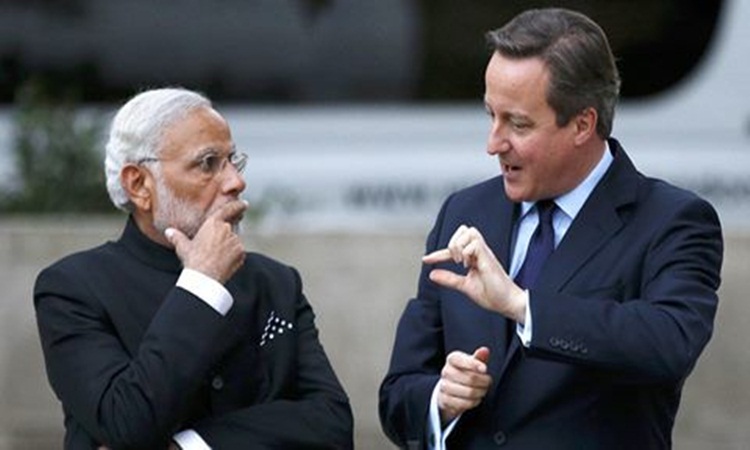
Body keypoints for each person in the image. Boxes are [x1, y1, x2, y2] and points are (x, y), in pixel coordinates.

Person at [379, 8, 722, 450]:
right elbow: (397, 393)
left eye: (518, 123)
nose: (493, 144)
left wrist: (523, 307)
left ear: (583, 124)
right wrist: (441, 400)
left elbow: (668, 343)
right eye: (491, 116)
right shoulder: (465, 211)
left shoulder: (672, 220)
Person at [34, 87, 353, 449]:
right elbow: (125, 421)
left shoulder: (275, 282)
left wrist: (190, 445)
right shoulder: (73, 288)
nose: (236, 181)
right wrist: (202, 284)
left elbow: (332, 425)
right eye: (208, 164)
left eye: (234, 161)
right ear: (139, 185)